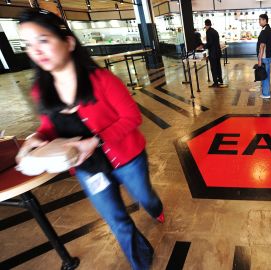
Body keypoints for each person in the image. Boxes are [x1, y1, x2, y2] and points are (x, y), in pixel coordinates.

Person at [16, 10, 164, 270]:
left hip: (127, 158)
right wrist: (35, 138)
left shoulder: (102, 80)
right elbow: (49, 127)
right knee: (117, 220)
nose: (36, 51)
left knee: (145, 197)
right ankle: (141, 262)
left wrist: (95, 140)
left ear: (69, 43)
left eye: (43, 40)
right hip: (88, 169)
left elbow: (132, 118)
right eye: (27, 44)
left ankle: (155, 206)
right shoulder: (41, 89)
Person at [201, 19, 223, 87]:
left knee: (213, 68)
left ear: (206, 25)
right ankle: (220, 80)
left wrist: (203, 46)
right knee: (218, 67)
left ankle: (215, 83)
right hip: (218, 52)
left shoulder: (208, 32)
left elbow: (210, 43)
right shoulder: (215, 31)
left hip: (213, 53)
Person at [257, 13, 271, 99]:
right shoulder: (269, 29)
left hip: (264, 57)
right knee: (266, 74)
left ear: (264, 20)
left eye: (260, 19)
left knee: (265, 75)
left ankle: (266, 93)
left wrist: (259, 59)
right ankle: (265, 91)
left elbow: (262, 45)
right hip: (268, 56)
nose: (259, 21)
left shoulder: (264, 31)